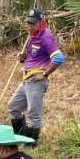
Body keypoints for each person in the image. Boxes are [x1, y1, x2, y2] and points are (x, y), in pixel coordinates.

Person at [8, 8, 64, 147]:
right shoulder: (31, 36)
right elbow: (34, 56)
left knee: (34, 113)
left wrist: (45, 74)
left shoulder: (45, 37)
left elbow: (58, 58)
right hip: (27, 79)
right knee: (13, 106)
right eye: (28, 23)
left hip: (36, 81)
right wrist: (23, 58)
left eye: (33, 23)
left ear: (41, 22)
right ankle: (20, 135)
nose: (29, 26)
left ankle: (31, 144)